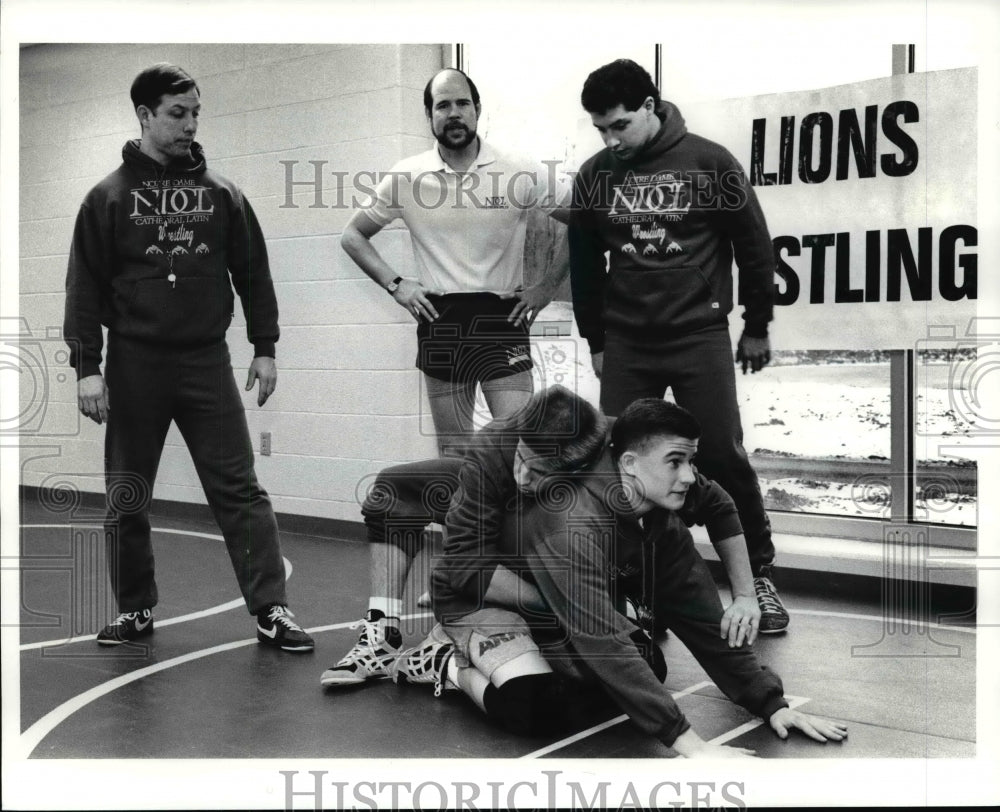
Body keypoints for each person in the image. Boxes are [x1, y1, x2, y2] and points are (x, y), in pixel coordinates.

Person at [393, 398, 848, 757]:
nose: (689, 476)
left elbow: (702, 618)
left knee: (647, 668)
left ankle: (538, 649)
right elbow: (602, 639)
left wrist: (771, 704)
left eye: (690, 462)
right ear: (629, 463)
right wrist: (690, 745)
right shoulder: (568, 524)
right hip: (485, 594)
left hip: (559, 593)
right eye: (676, 463)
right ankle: (443, 663)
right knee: (532, 704)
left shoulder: (653, 504)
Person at [63, 63, 313, 652]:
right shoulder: (107, 197)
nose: (190, 125)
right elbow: (83, 287)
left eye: (196, 113)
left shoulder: (220, 193)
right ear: (145, 116)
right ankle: (135, 609)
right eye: (178, 114)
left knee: (240, 489)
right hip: (134, 363)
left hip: (205, 361)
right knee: (127, 491)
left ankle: (271, 608)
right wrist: (87, 367)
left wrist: (265, 347)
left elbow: (253, 272)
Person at [329, 66, 571, 672]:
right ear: (430, 117)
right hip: (440, 322)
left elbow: (577, 219)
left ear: (478, 109)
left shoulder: (517, 170)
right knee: (459, 466)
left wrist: (543, 286)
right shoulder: (407, 176)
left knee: (524, 458)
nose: (454, 114)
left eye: (462, 103)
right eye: (442, 107)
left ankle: (529, 595)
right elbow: (353, 236)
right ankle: (459, 603)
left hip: (501, 318)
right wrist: (396, 283)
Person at [321, 385, 760, 692]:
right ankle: (382, 635)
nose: (523, 476)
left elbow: (717, 504)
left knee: (626, 667)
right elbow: (462, 568)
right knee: (392, 488)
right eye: (522, 459)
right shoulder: (494, 450)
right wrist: (565, 602)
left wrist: (745, 594)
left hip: (557, 548)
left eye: (539, 471)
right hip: (501, 529)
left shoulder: (621, 452)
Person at [567, 58, 789, 633]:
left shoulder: (709, 162)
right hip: (628, 343)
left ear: (649, 107)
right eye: (600, 130)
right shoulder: (594, 176)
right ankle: (636, 584)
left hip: (699, 335)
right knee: (621, 465)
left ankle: (757, 577)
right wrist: (597, 339)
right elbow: (585, 267)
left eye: (618, 125)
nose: (610, 140)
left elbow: (755, 246)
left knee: (719, 454)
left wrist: (757, 324)